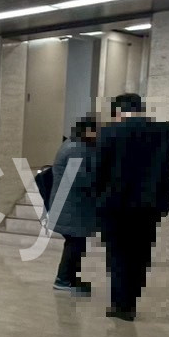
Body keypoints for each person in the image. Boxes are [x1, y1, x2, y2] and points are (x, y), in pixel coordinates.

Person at [92, 93, 169, 321]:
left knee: (117, 254)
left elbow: (97, 169)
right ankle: (131, 302)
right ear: (141, 109)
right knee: (141, 253)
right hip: (150, 205)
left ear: (118, 113)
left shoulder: (108, 133)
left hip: (114, 206)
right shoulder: (167, 130)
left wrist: (98, 196)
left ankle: (120, 305)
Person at [50, 116, 98, 295]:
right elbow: (80, 179)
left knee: (77, 242)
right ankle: (63, 280)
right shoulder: (76, 149)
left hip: (71, 204)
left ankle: (71, 278)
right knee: (75, 243)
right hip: (71, 205)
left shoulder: (74, 145)